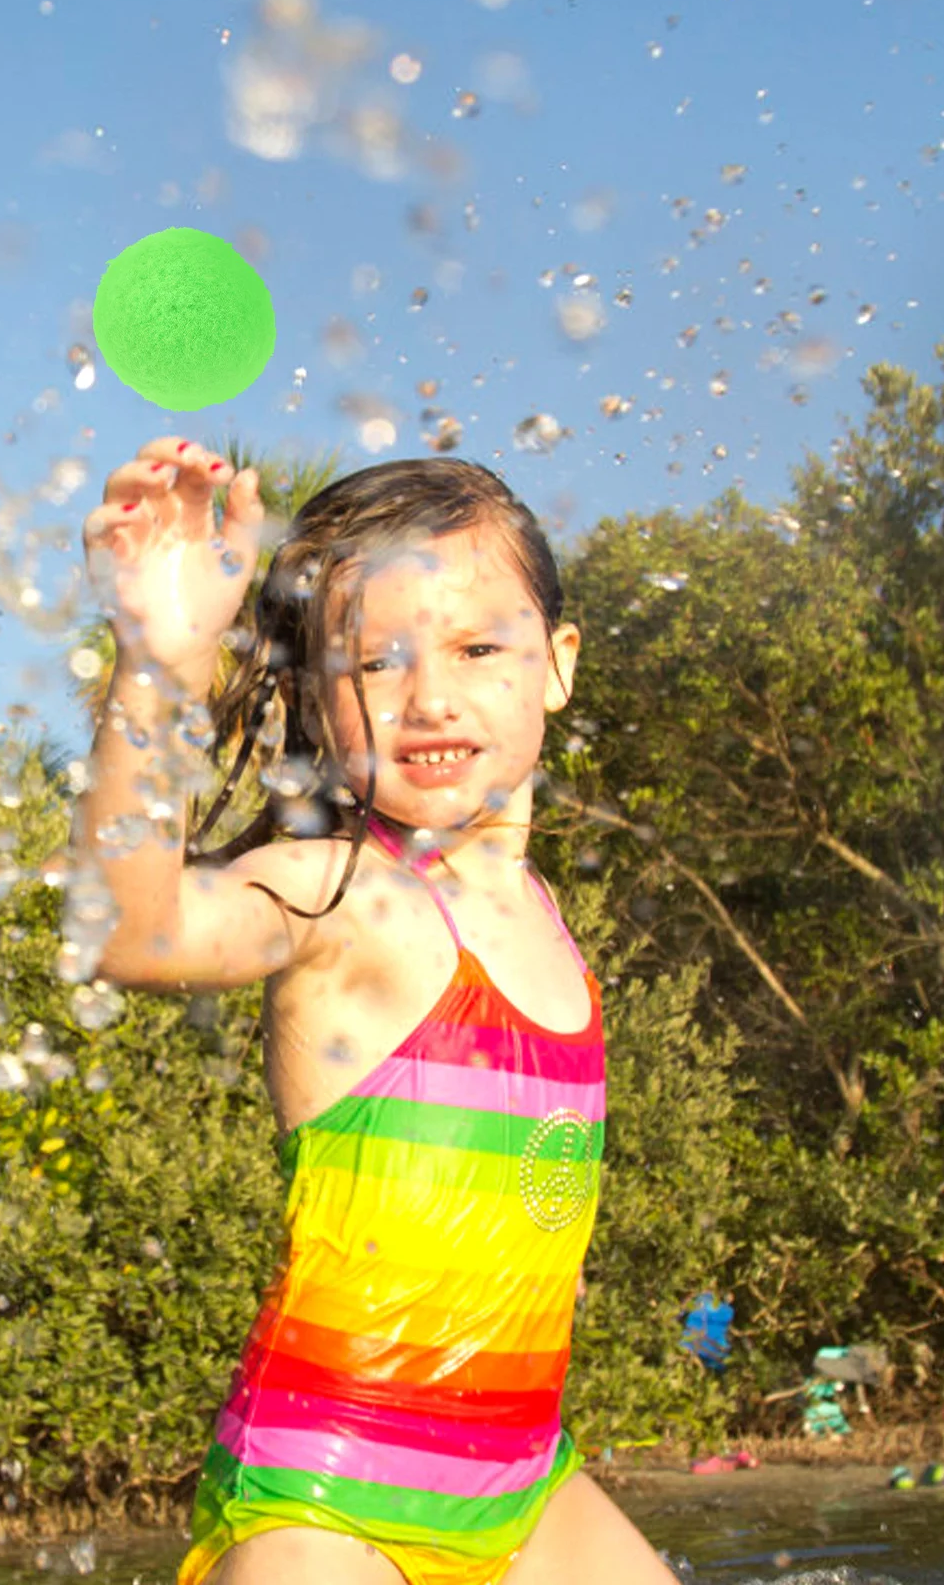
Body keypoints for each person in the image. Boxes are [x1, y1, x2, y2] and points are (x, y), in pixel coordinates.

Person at [73, 437, 674, 1585]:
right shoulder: (343, 893)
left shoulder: (551, 927)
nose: (430, 697)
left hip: (521, 1484)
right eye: (376, 663)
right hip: (324, 1503)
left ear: (556, 664)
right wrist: (156, 666)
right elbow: (130, 933)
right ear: (312, 694)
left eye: (476, 647)